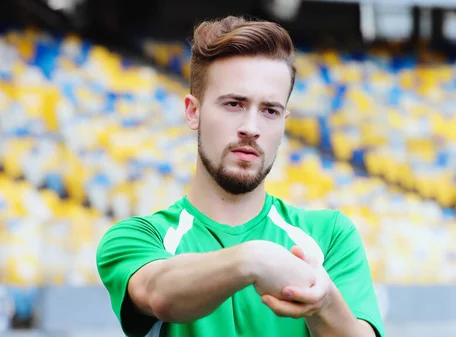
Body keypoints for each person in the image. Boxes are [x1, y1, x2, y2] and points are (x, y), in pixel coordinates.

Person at [96, 15, 385, 337]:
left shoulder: (329, 235)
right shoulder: (138, 237)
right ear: (194, 111)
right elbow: (159, 294)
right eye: (234, 104)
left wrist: (325, 300)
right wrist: (252, 259)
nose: (252, 128)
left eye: (270, 111)